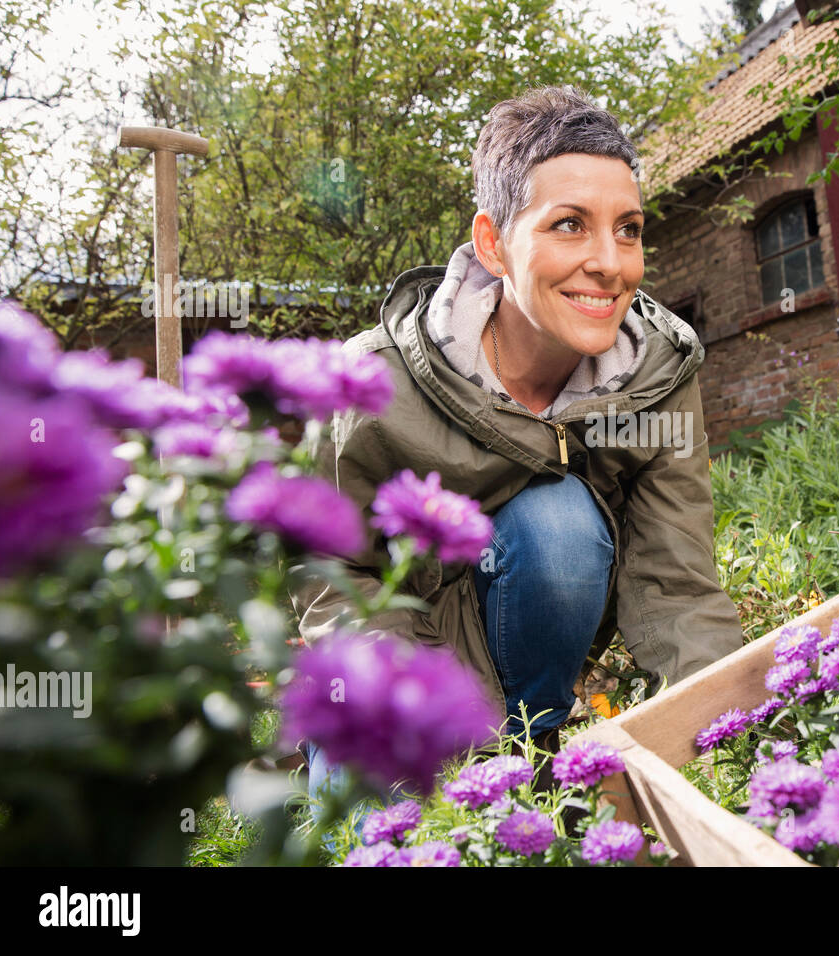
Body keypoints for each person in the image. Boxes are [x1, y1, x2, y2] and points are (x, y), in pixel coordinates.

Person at [290, 85, 744, 798]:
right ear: (494, 244)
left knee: (558, 521)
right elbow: (331, 568)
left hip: (526, 650)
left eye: (628, 229)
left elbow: (677, 587)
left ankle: (531, 757)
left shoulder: (656, 376)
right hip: (396, 669)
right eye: (570, 225)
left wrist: (730, 747)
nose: (610, 263)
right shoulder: (374, 381)